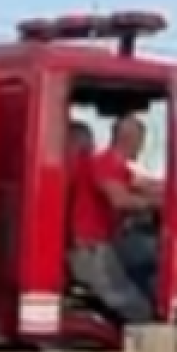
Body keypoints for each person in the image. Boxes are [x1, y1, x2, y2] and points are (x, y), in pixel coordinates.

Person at [66, 114, 161, 324]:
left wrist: (174, 190)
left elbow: (141, 185)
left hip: (103, 244)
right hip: (90, 248)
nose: (142, 146)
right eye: (141, 140)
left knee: (152, 253)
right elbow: (120, 200)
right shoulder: (104, 161)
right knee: (135, 307)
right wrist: (156, 203)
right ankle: (150, 341)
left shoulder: (116, 165)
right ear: (130, 139)